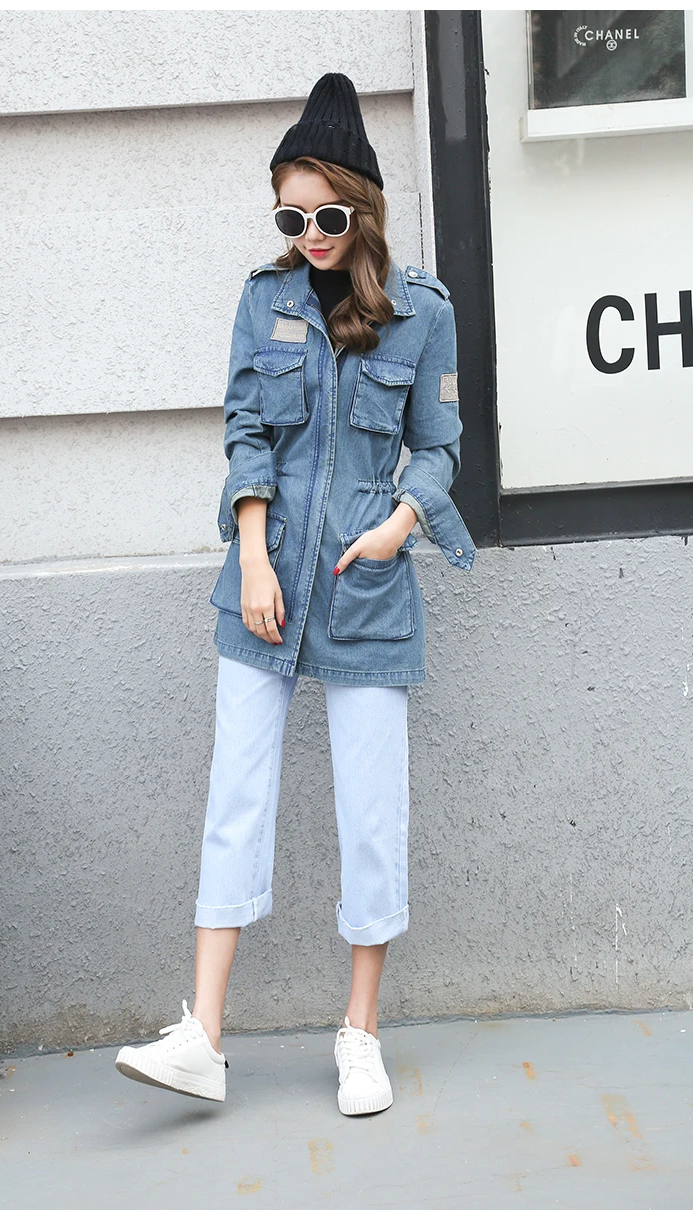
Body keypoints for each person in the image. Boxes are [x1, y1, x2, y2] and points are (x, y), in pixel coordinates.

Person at [115, 72, 476, 1116]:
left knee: (371, 813)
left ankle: (360, 1033)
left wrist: (397, 527)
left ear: (362, 208)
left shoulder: (422, 313)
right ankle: (203, 1035)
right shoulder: (261, 302)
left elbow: (440, 450)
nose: (309, 236)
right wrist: (253, 552)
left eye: (326, 216)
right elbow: (244, 432)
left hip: (366, 590)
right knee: (234, 796)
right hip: (262, 584)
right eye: (290, 216)